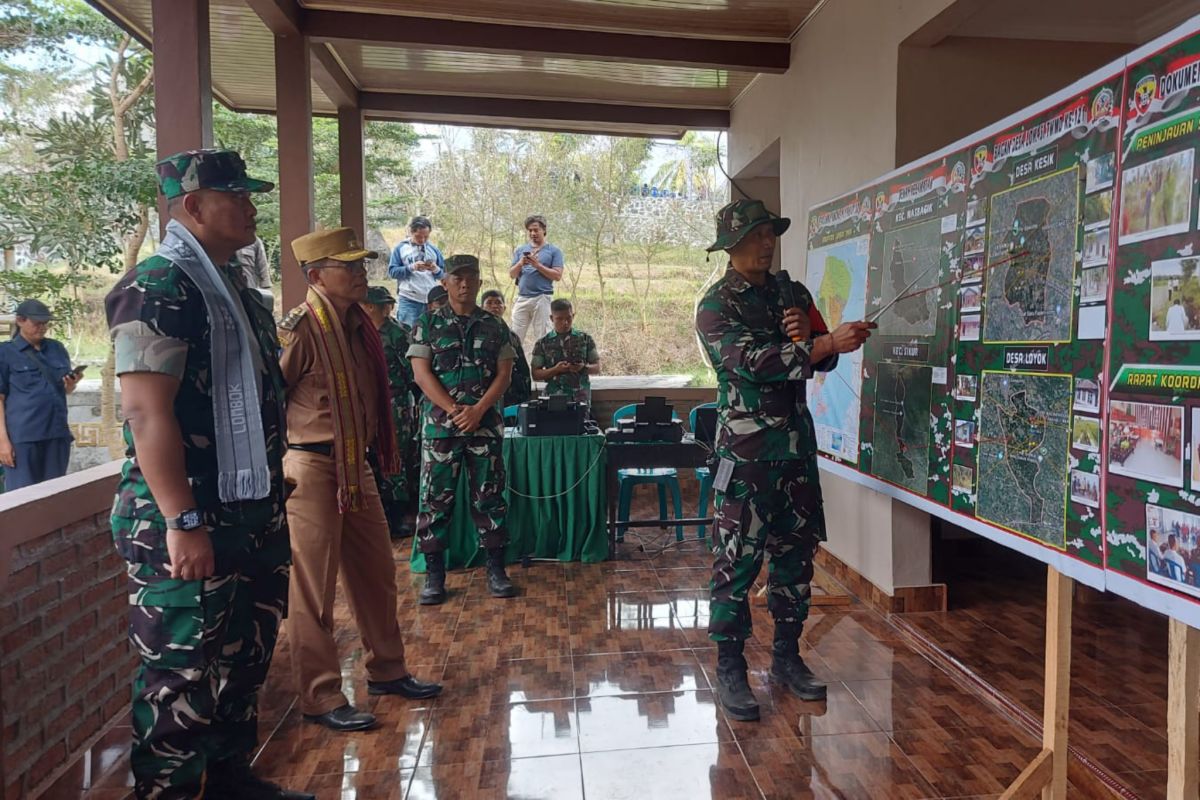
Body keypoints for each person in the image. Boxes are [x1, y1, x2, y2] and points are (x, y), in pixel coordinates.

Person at [105, 148, 312, 800]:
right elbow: (144, 411)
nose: (253, 207)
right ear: (193, 207)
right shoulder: (158, 286)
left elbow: (251, 401)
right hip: (188, 519)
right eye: (238, 196)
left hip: (248, 512)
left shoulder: (241, 298)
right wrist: (182, 518)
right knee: (180, 677)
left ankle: (229, 782)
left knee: (243, 660)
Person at [695, 198, 875, 722]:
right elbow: (752, 364)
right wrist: (818, 345)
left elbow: (824, 356)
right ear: (731, 246)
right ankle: (730, 667)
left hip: (796, 454)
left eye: (770, 233)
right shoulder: (716, 306)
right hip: (747, 459)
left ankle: (787, 658)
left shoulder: (792, 292)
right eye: (755, 235)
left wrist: (820, 340)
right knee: (736, 564)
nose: (766, 242)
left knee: (795, 563)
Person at [279, 228, 442, 733]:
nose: (359, 273)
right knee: (313, 588)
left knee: (377, 572)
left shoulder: (360, 326)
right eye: (347, 266)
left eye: (360, 264)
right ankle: (321, 694)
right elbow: (270, 400)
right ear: (315, 275)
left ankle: (388, 670)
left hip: (356, 465)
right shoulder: (300, 328)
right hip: (311, 466)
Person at [408, 255, 517, 604]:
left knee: (490, 499)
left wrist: (479, 410)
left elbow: (505, 374)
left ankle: (496, 570)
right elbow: (421, 375)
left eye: (471, 278)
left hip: (483, 427)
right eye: (457, 278)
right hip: (441, 429)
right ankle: (434, 576)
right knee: (435, 502)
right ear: (445, 282)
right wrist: (456, 411)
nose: (464, 284)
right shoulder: (427, 323)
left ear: (479, 282)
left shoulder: (495, 325)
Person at [0, 299, 78, 491]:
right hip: (23, 437)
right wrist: (3, 442)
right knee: (22, 497)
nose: (42, 328)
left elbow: (63, 390)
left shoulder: (57, 349)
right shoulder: (5, 353)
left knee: (54, 494)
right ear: (20, 320)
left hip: (56, 433)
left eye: (45, 323)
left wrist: (71, 385)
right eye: (36, 323)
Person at [361, 285, 418, 537]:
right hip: (368, 404)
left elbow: (411, 374)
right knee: (374, 457)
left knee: (395, 457)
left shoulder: (396, 334)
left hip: (396, 405)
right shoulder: (360, 333)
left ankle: (399, 516)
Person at [508, 215, 564, 349]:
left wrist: (537, 265)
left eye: (536, 230)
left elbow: (557, 275)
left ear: (544, 230)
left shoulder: (554, 251)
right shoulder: (520, 250)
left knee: (543, 337)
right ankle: (514, 368)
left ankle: (544, 367)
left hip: (542, 298)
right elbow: (511, 274)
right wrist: (521, 263)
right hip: (522, 297)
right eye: (530, 231)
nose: (533, 233)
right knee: (513, 337)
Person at [531, 298, 599, 407]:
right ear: (552, 318)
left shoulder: (585, 339)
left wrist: (582, 368)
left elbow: (597, 368)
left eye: (569, 318)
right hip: (554, 396)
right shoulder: (542, 343)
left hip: (580, 397)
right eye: (559, 319)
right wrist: (556, 370)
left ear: (573, 316)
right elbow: (535, 374)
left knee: (580, 423)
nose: (565, 323)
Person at [389, 215, 445, 328]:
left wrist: (435, 269)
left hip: (431, 300)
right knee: (408, 333)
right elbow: (392, 272)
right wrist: (411, 268)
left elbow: (444, 275)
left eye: (426, 237)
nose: (422, 240)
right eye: (419, 237)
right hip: (409, 300)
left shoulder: (434, 250)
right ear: (411, 232)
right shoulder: (400, 248)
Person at [482, 289, 532, 409]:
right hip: (484, 395)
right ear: (481, 308)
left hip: (511, 395)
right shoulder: (476, 335)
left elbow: (522, 368)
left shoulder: (512, 336)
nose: (494, 306)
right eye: (489, 303)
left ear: (504, 308)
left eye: (498, 303)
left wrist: (525, 394)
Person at [236, 235, 273, 307]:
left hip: (250, 289)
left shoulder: (254, 241)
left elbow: (263, 266)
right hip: (227, 289)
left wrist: (265, 291)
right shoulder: (223, 239)